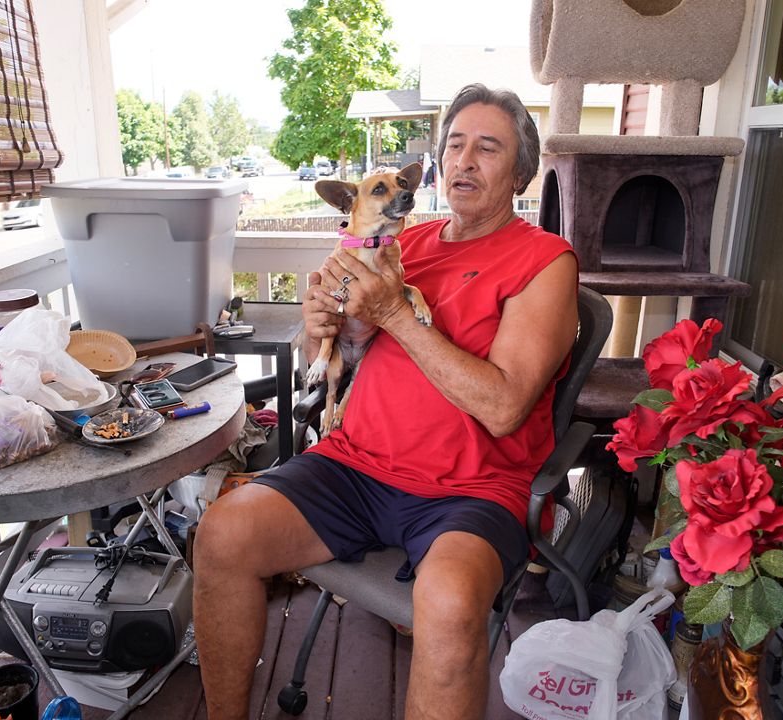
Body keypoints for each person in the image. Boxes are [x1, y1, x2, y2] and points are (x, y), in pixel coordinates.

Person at [193, 83, 579, 720]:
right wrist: (323, 323)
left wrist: (398, 315)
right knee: (222, 532)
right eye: (454, 145)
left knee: (452, 603)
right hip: (355, 464)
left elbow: (506, 406)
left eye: (487, 148)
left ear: (520, 172)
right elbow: (340, 348)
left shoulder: (543, 261)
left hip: (471, 489)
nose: (463, 161)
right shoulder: (406, 244)